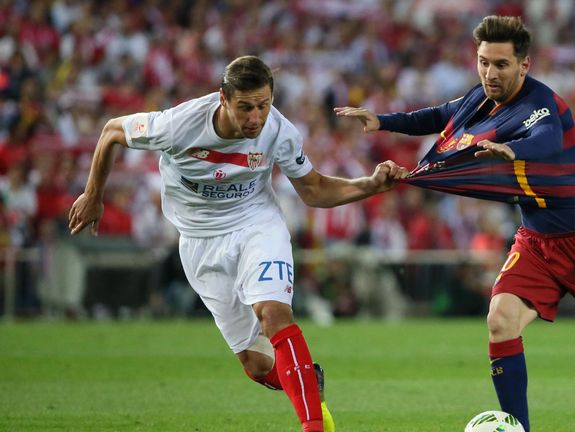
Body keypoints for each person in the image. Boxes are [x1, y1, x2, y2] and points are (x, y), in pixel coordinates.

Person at [336, 14, 575, 432]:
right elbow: (438, 115)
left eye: (500, 64)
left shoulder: (543, 103)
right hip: (536, 242)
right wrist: (383, 121)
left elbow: (548, 137)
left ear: (524, 65)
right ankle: (519, 428)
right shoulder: (477, 100)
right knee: (500, 319)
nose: (489, 73)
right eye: (483, 62)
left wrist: (515, 150)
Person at [68, 55, 408, 432]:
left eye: (263, 105)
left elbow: (314, 190)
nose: (255, 118)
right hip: (199, 242)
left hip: (257, 225)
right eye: (245, 107)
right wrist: (93, 194)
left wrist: (370, 185)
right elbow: (112, 131)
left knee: (273, 312)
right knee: (258, 365)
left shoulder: (278, 130)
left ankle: (313, 426)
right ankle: (307, 380)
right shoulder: (179, 124)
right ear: (224, 99)